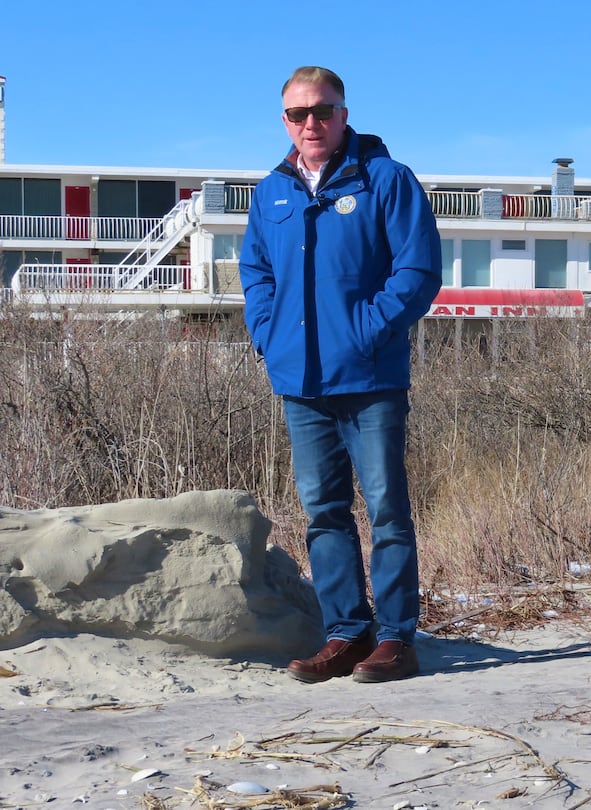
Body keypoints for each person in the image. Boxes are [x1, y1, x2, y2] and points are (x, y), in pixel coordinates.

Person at [239, 66, 442, 684]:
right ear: (284, 121)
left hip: (371, 378)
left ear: (344, 113)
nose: (311, 124)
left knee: (386, 511)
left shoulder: (386, 180)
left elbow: (416, 274)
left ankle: (397, 639)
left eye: (322, 111)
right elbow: (257, 275)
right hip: (299, 382)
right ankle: (345, 634)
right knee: (324, 512)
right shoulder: (272, 191)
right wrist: (270, 339)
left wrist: (365, 332)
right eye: (298, 114)